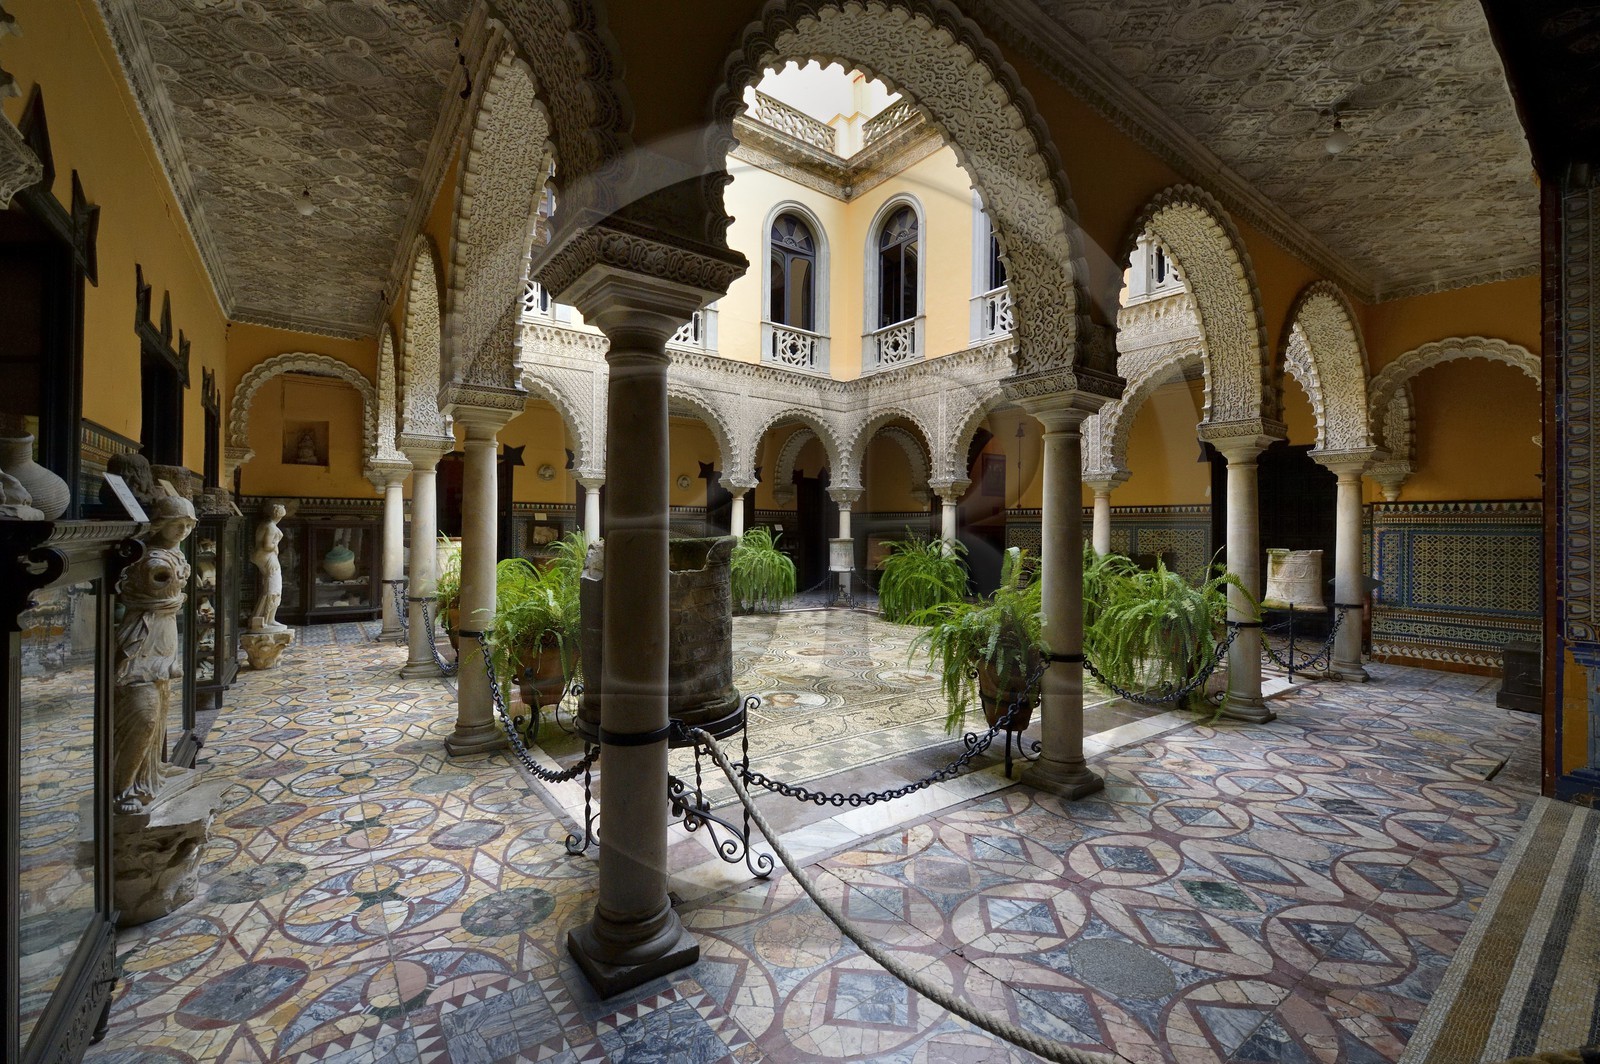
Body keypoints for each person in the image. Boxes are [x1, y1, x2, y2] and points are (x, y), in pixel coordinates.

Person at [111, 493, 196, 813]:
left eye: (189, 525)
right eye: (178, 524)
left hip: (164, 638)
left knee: (158, 710)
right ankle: (121, 788)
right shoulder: (153, 559)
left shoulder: (173, 555)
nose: (184, 531)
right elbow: (155, 574)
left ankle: (146, 777)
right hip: (143, 638)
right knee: (145, 714)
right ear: (161, 523)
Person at [251, 503, 288, 631]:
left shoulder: (265, 524)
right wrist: (276, 545)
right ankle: (267, 620)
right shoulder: (271, 527)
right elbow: (267, 545)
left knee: (270, 586)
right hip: (268, 557)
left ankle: (262, 618)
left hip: (264, 557)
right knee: (274, 587)